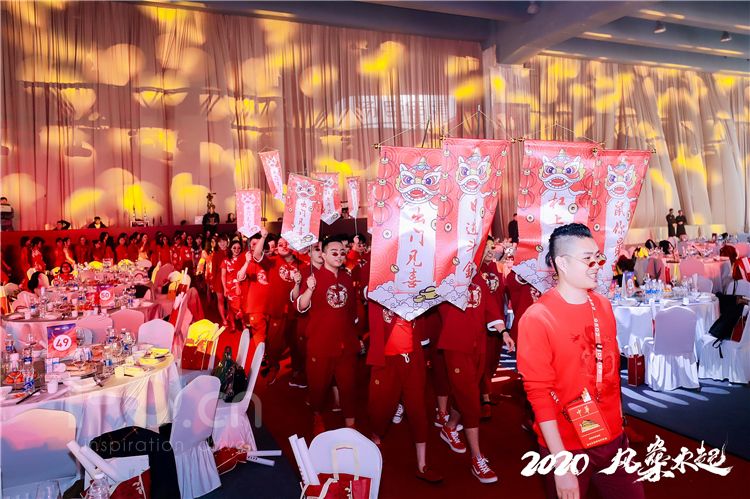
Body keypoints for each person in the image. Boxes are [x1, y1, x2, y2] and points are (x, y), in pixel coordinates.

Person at [517, 223, 644, 499]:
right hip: (566, 446)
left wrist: (619, 425)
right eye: (588, 259)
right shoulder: (538, 318)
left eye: (598, 257)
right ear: (562, 263)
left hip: (613, 439)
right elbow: (538, 393)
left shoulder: (603, 306)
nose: (597, 265)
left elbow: (609, 371)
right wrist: (560, 463)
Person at [437, 256, 514, 484]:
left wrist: (504, 332)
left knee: (466, 393)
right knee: (471, 400)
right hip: (455, 346)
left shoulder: (479, 279)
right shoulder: (444, 279)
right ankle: (477, 457)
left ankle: (450, 427)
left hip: (478, 345)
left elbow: (491, 309)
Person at [367, 300, 443, 483]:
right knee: (380, 408)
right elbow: (367, 292)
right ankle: (375, 439)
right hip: (386, 360)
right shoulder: (377, 289)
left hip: (413, 358)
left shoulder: (414, 289)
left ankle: (422, 465)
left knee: (418, 410)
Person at [297, 236, 358, 435]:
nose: (339, 256)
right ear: (323, 255)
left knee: (348, 386)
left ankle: (350, 425)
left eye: (342, 253)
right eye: (334, 252)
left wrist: (354, 337)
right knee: (318, 385)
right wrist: (309, 289)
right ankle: (317, 415)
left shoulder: (347, 278)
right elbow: (301, 306)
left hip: (346, 344)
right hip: (320, 344)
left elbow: (352, 312)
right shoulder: (313, 278)